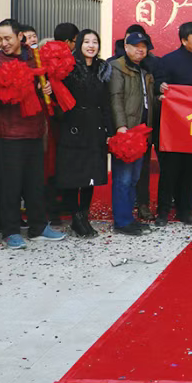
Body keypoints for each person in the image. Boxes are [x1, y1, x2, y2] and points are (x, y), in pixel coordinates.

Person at [0, 18, 67, 249]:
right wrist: (9, 89)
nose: (3, 43)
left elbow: (43, 85)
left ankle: (38, 226)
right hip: (8, 133)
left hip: (34, 130)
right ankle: (10, 231)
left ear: (19, 37)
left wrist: (44, 88)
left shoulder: (34, 57)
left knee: (34, 183)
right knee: (10, 185)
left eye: (7, 38)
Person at [153, 21, 192, 224]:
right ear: (183, 40)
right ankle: (163, 212)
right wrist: (160, 89)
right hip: (173, 125)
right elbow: (157, 84)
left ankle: (185, 210)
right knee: (170, 170)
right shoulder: (168, 61)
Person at [57, 29, 111, 238]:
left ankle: (84, 215)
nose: (91, 45)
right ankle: (76, 217)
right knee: (74, 176)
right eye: (86, 41)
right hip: (73, 126)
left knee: (91, 176)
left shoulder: (102, 69)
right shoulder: (68, 68)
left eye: (95, 42)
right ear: (79, 44)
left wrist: (109, 129)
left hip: (95, 127)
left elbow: (105, 103)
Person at [108, 31, 156, 235]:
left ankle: (129, 217)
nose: (140, 49)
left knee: (134, 177)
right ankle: (122, 221)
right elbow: (115, 97)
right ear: (126, 47)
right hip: (127, 131)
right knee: (123, 178)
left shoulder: (143, 70)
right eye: (136, 46)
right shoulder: (117, 67)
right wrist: (121, 127)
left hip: (142, 131)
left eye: (144, 46)